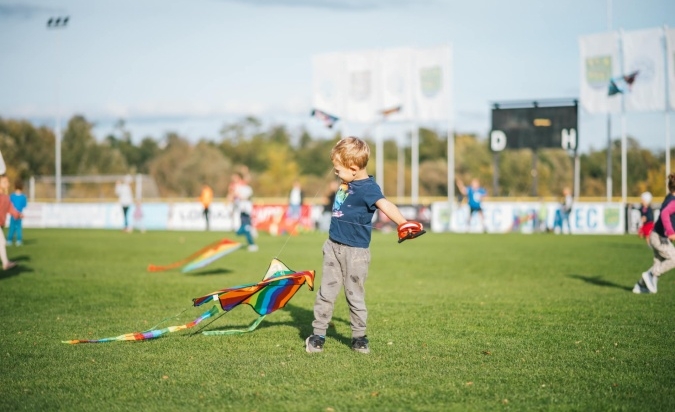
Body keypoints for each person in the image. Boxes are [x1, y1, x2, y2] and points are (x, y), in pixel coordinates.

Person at [305, 137, 424, 355]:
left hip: (356, 253)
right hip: (333, 246)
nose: (335, 173)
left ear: (353, 168)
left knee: (354, 295)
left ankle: (359, 337)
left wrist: (403, 223)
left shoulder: (369, 188)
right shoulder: (346, 182)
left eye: (338, 169)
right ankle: (318, 334)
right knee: (326, 293)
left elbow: (385, 204)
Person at [633, 174, 675, 294]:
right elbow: (665, 214)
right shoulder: (673, 201)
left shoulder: (669, 197)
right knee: (673, 259)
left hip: (656, 235)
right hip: (659, 238)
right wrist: (671, 232)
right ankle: (650, 274)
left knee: (659, 263)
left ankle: (640, 285)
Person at [228, 172, 258, 252]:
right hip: (240, 211)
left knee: (245, 229)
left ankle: (252, 244)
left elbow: (245, 197)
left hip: (246, 211)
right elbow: (233, 197)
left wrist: (237, 195)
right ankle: (251, 232)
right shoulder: (237, 188)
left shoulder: (247, 188)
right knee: (238, 231)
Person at [0, 176, 20, 270]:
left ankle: (5, 263)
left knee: (1, 243)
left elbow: (10, 208)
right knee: (2, 242)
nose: (7, 184)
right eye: (4, 182)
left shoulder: (6, 197)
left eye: (7, 182)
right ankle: (6, 263)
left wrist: (17, 214)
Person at [7, 179, 27, 246]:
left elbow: (9, 205)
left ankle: (9, 240)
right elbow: (24, 205)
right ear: (22, 187)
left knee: (12, 227)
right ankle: (19, 240)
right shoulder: (23, 197)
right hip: (19, 214)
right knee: (18, 228)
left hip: (13, 214)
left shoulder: (12, 196)